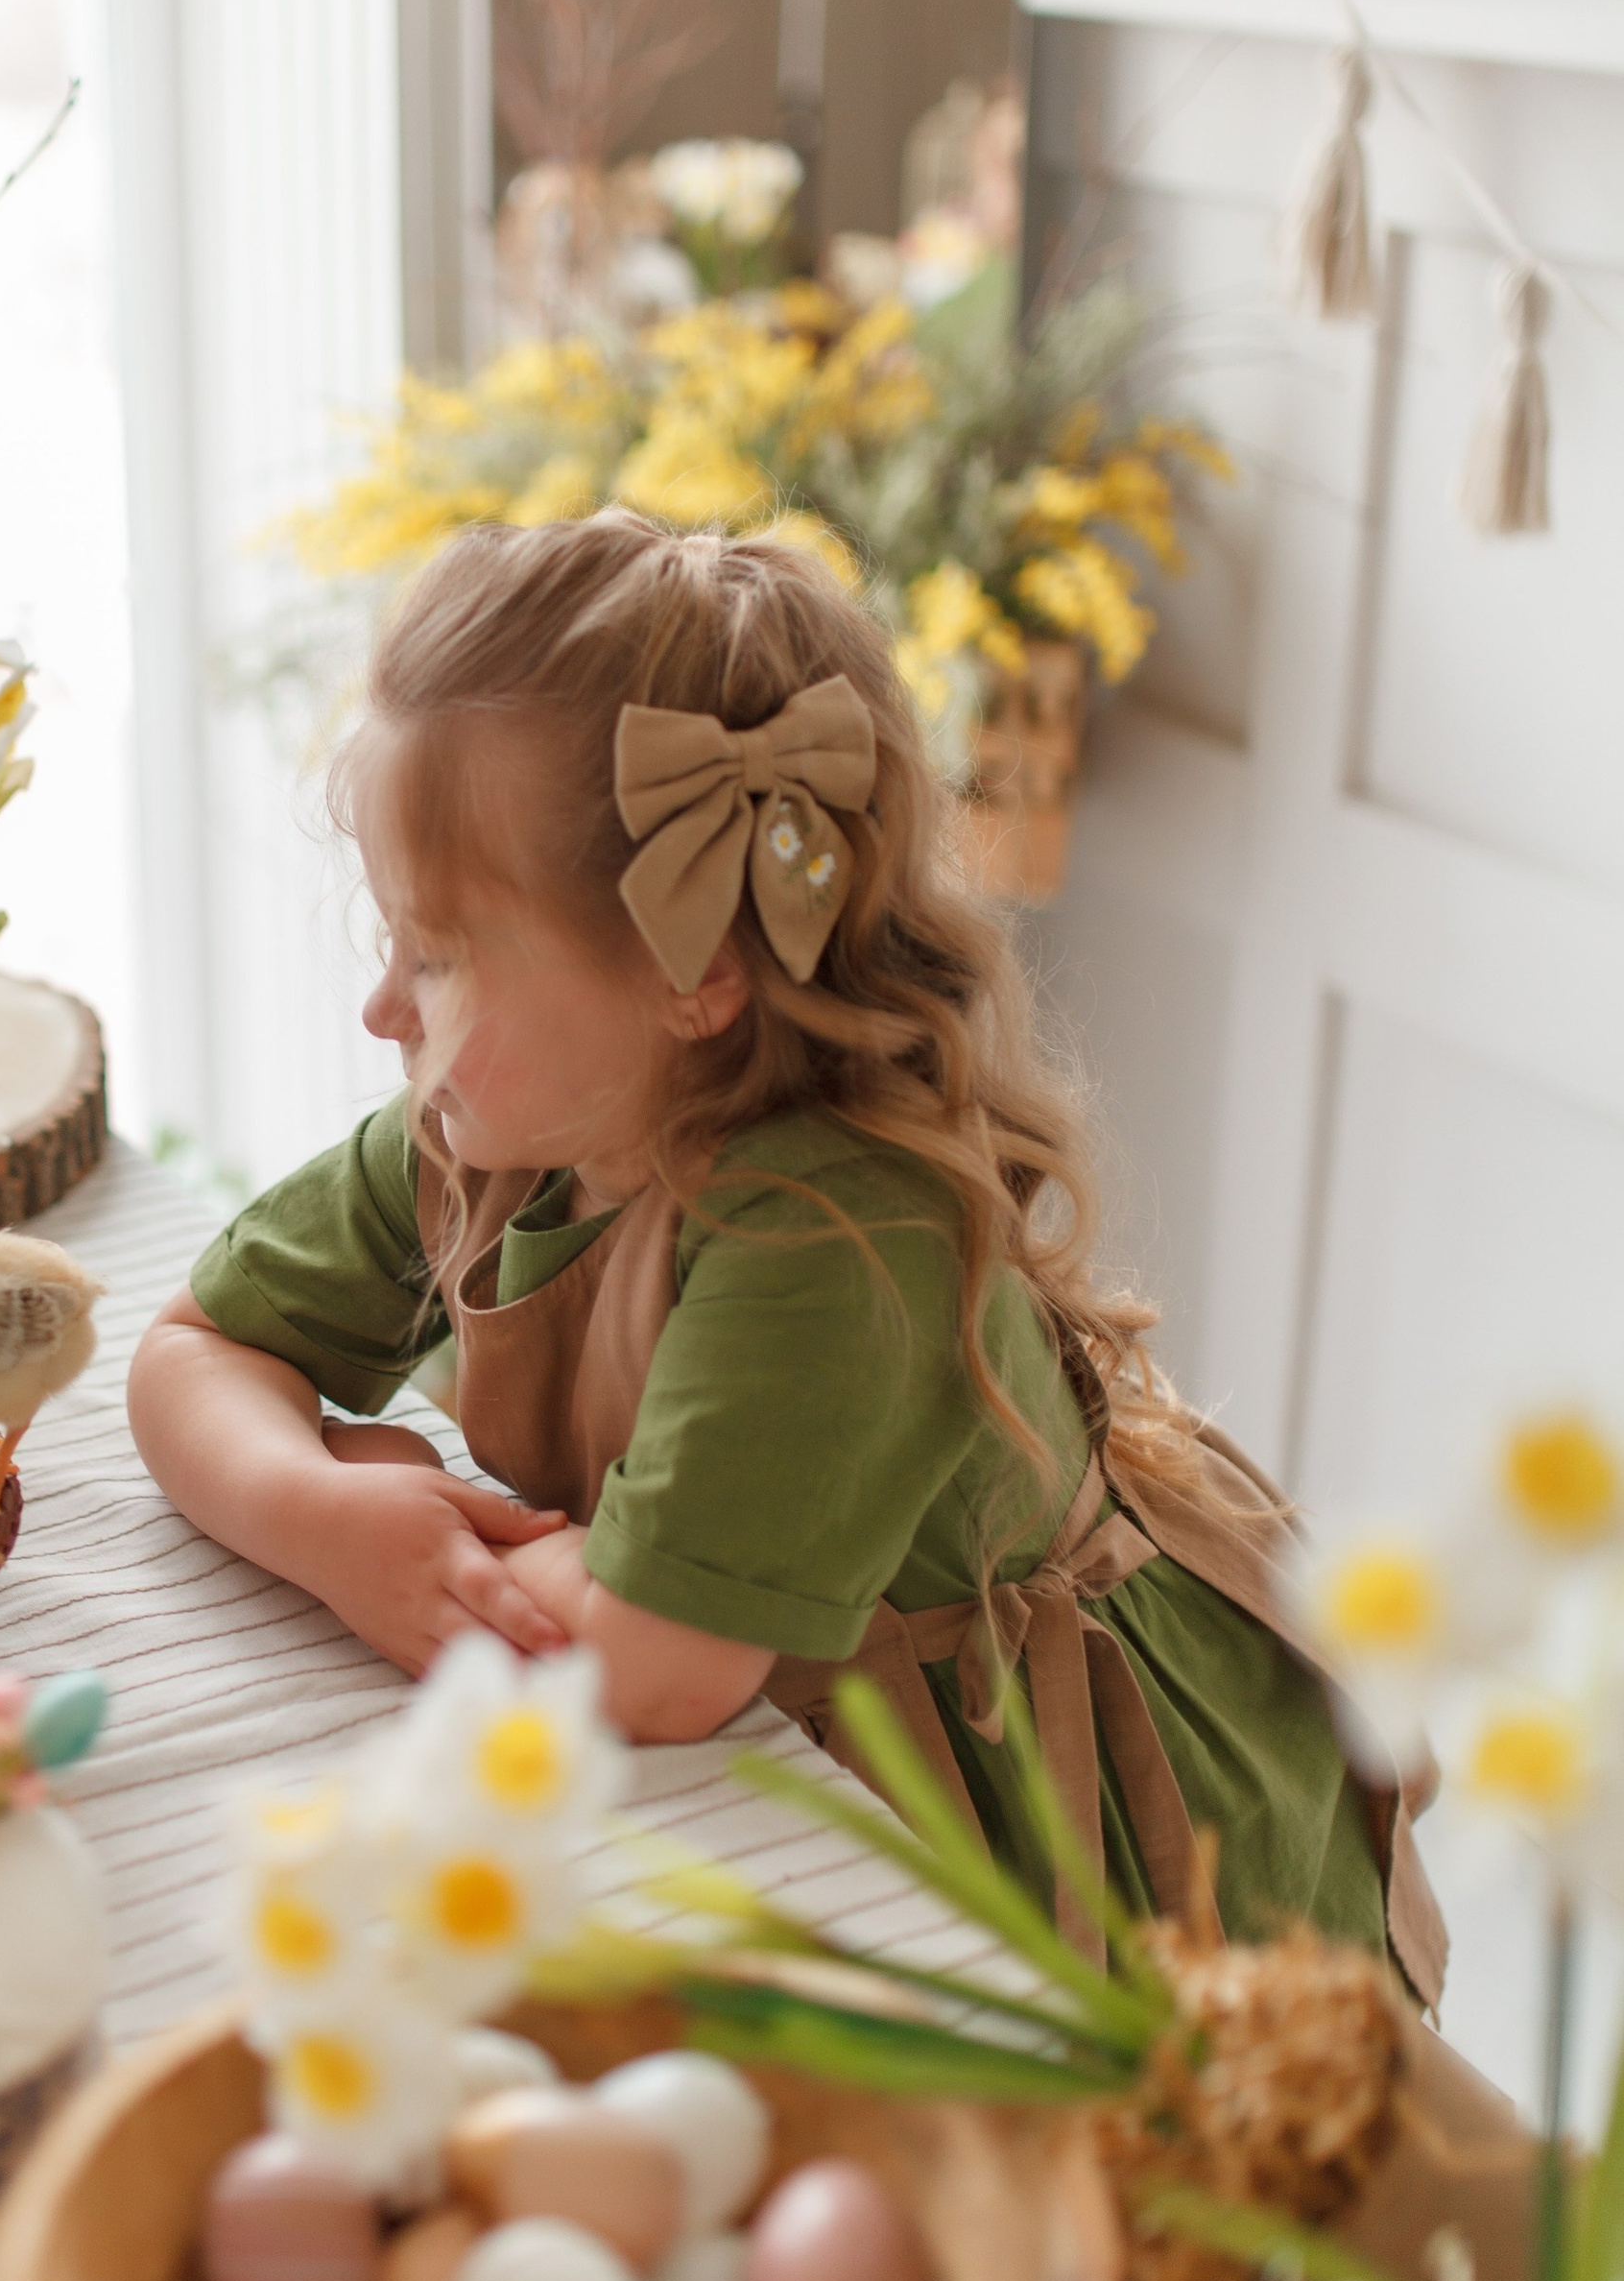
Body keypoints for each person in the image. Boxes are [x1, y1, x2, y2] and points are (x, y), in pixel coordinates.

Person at [129, 511, 1441, 1992]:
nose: (383, 1010)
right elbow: (188, 1349)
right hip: (779, 1733)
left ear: (693, 982)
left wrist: (412, 1512)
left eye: (435, 952)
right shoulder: (483, 1138)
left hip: (1046, 1807)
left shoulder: (844, 1222)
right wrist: (318, 1507)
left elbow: (655, 1667)